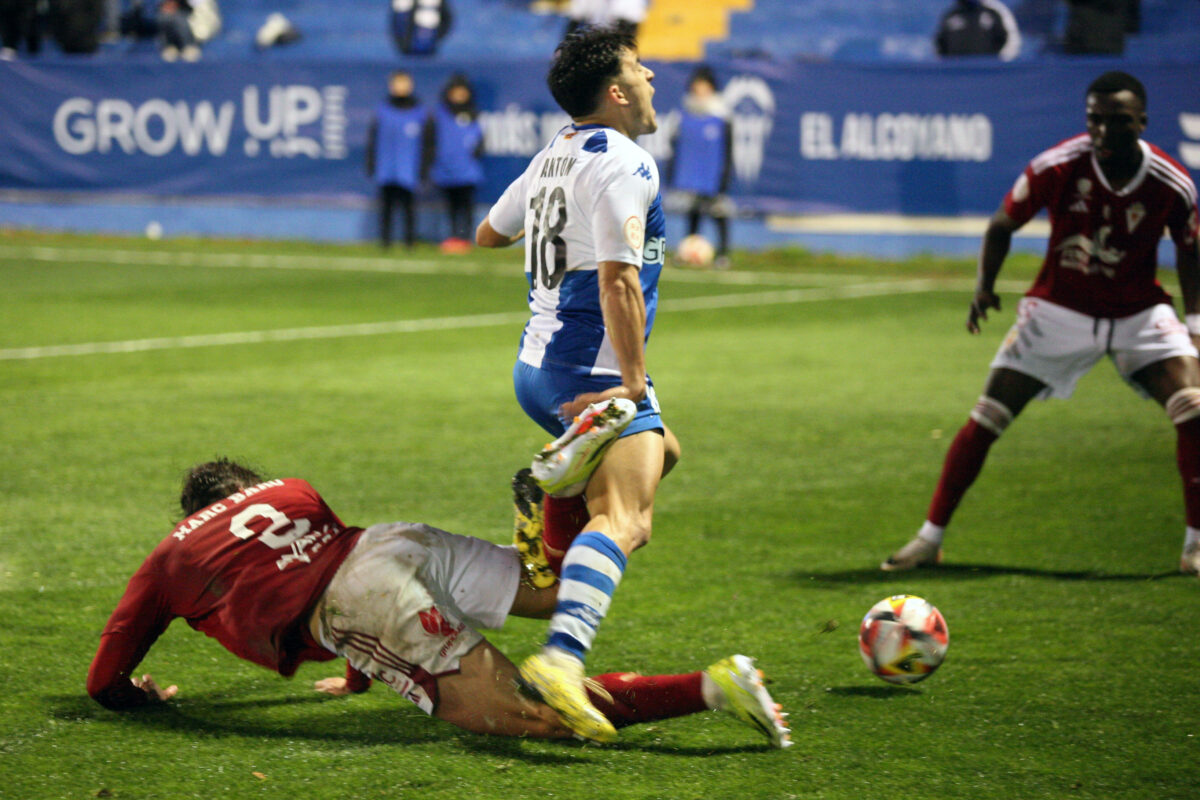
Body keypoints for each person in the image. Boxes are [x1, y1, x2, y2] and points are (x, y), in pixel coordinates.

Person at [86, 459, 791, 747]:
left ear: (192, 512)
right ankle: (557, 504)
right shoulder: (289, 489)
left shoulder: (172, 556)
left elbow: (103, 679)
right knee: (553, 594)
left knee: (538, 716)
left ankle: (717, 685)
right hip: (396, 544)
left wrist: (140, 698)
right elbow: (328, 564)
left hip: (360, 597)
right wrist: (362, 672)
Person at [881, 72, 1200, 576]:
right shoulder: (1060, 164)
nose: (1102, 132)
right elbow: (1002, 224)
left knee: (1194, 408)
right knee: (986, 419)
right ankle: (928, 539)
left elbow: (1190, 249)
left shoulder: (1171, 182)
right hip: (1059, 310)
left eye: (1117, 122)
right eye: (1094, 120)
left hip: (1139, 311)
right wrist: (985, 287)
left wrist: (1195, 323)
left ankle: (1194, 548)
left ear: (1141, 122)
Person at [475, 26, 691, 743]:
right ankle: (561, 660)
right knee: (628, 520)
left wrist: (550, 214)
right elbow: (619, 278)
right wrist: (631, 383)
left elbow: (487, 232)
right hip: (588, 372)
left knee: (665, 450)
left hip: (532, 370)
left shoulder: (553, 154)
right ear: (617, 91)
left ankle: (554, 495)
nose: (654, 74)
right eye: (640, 67)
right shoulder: (624, 161)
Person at [669, 65, 734, 268]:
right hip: (691, 176)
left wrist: (724, 176)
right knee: (693, 212)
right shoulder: (683, 115)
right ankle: (689, 249)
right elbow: (675, 146)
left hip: (713, 176)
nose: (700, 91)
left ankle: (723, 253)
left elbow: (728, 149)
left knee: (718, 212)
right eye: (697, 86)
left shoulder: (722, 116)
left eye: (704, 86)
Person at [365, 70, 427, 249]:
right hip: (386, 167)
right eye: (397, 83)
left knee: (408, 207)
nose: (401, 87)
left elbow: (428, 143)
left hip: (408, 168)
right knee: (386, 206)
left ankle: (409, 241)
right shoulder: (382, 110)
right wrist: (371, 163)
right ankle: (385, 241)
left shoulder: (420, 112)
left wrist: (424, 167)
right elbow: (373, 139)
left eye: (404, 83)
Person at [425, 73, 485, 254]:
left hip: (467, 171)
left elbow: (480, 140)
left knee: (466, 206)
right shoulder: (439, 114)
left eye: (462, 92)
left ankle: (465, 238)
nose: (459, 96)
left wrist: (476, 151)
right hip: (446, 171)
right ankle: (452, 238)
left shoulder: (474, 115)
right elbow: (430, 141)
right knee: (450, 206)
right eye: (456, 92)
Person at [934, 0, 1020, 61]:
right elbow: (940, 40)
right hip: (958, 68)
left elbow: (1006, 37)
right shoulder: (952, 15)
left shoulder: (993, 13)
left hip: (988, 67)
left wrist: (996, 58)